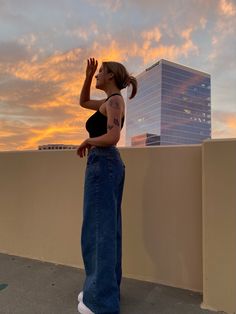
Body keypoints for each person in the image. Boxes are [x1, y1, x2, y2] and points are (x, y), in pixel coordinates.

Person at [77, 58, 137, 314]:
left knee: (98, 230)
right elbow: (82, 102)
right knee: (107, 229)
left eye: (101, 72)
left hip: (103, 164)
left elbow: (113, 137)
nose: (98, 74)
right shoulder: (107, 102)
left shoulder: (114, 102)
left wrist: (89, 140)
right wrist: (88, 76)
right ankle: (103, 291)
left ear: (111, 76)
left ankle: (100, 303)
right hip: (108, 166)